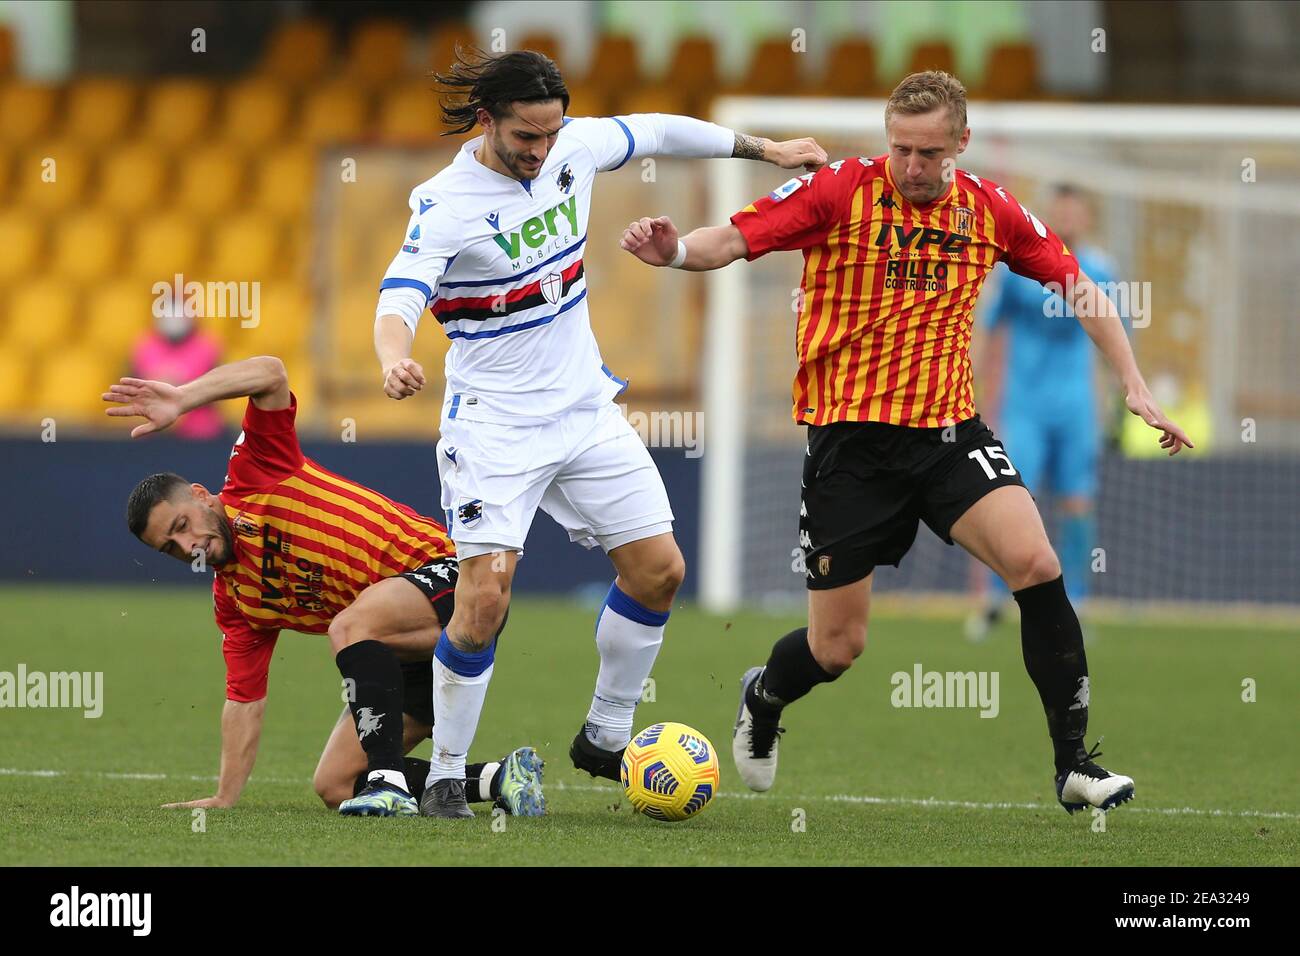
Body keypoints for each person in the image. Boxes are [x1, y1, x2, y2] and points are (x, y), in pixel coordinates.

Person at [619, 71, 1192, 815]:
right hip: (850, 449)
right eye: (900, 149)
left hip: (949, 438)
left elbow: (1081, 287)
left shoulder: (992, 210)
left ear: (961, 142)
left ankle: (1073, 765)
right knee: (838, 648)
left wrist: (1134, 384)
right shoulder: (839, 190)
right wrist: (672, 252)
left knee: (1036, 562)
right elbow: (733, 236)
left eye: (927, 152)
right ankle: (763, 696)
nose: (912, 166)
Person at [372, 47, 827, 816]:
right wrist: (393, 356)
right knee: (484, 602)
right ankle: (447, 773)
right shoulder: (445, 201)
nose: (542, 152)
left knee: (660, 571)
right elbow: (401, 290)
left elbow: (655, 132)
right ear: (487, 122)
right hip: (497, 429)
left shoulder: (571, 147)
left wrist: (769, 150)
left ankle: (606, 735)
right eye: (526, 138)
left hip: (585, 410)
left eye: (552, 136)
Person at [105, 355, 544, 818]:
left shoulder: (255, 470)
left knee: (350, 626)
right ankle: (499, 777)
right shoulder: (236, 603)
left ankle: (388, 783)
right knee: (336, 785)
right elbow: (243, 700)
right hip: (397, 651)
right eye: (169, 546)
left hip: (451, 579)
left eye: (181, 525)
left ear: (200, 494)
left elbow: (271, 372)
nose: (186, 544)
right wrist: (224, 795)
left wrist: (182, 397)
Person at [965, 184, 1119, 640]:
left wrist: (1113, 402)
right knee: (1013, 500)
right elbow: (988, 329)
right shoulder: (1019, 269)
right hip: (1024, 404)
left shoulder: (1100, 271)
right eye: (1060, 209)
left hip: (1075, 407)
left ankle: (1078, 603)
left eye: (1075, 209)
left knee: (1076, 503)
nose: (1067, 217)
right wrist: (972, 386)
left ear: (1088, 216)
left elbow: (1114, 337)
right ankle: (997, 597)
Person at [131, 301, 223, 440]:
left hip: (198, 431)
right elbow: (134, 385)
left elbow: (215, 389)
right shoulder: (144, 345)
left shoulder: (207, 345)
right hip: (152, 430)